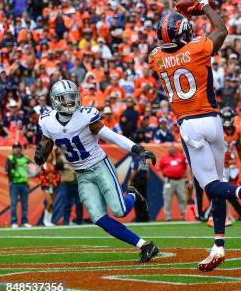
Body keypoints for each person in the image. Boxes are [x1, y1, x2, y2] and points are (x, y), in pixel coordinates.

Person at [149, 0, 241, 271]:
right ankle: (218, 247)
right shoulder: (198, 48)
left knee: (211, 186)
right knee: (218, 185)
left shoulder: (156, 58)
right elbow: (222, 30)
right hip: (214, 122)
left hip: (191, 125)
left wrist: (185, 16)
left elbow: (173, 40)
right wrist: (203, 6)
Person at [35, 80, 160, 262]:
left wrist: (138, 149)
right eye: (66, 98)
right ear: (55, 100)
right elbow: (44, 148)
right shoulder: (47, 121)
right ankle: (145, 246)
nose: (71, 101)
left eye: (73, 96)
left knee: (120, 211)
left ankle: (132, 194)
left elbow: (113, 136)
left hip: (100, 166)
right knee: (98, 217)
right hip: (82, 174)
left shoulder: (86, 116)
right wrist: (40, 156)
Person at [157, 143, 190, 221]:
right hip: (169, 180)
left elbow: (186, 167)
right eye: (169, 148)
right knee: (167, 199)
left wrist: (188, 178)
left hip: (180, 180)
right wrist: (163, 179)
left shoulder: (181, 157)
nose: (170, 149)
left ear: (174, 148)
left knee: (183, 198)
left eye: (171, 147)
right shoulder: (164, 158)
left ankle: (185, 215)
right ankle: (168, 217)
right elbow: (158, 169)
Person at [6, 142, 31, 228]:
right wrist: (11, 168)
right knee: (13, 203)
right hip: (14, 183)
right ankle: (14, 222)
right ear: (12, 149)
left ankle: (24, 222)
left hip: (24, 183)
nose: (16, 149)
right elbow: (7, 171)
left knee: (25, 204)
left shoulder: (25, 158)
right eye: (15, 147)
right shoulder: (10, 158)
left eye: (18, 147)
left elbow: (31, 169)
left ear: (21, 149)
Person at [56, 152, 83, 225]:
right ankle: (66, 221)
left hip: (77, 182)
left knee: (79, 203)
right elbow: (56, 166)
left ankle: (79, 220)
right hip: (66, 182)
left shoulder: (78, 156)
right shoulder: (61, 157)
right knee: (66, 203)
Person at [39, 148, 62, 226]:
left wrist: (55, 182)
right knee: (49, 202)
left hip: (53, 186)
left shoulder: (53, 164)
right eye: (48, 156)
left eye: (50, 156)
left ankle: (48, 221)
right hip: (46, 186)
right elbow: (41, 176)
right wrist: (47, 182)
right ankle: (45, 221)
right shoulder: (44, 165)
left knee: (52, 204)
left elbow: (57, 175)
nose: (49, 157)